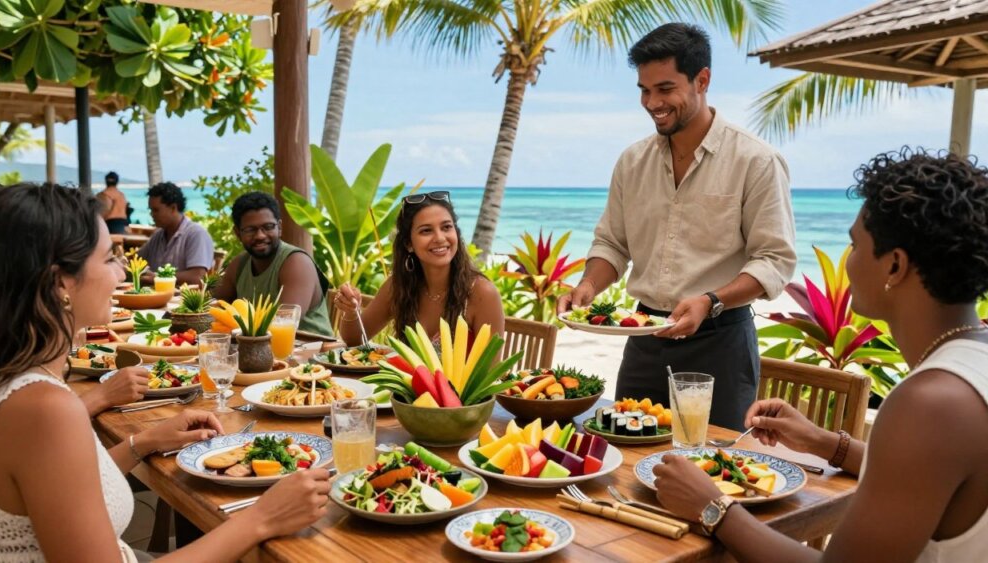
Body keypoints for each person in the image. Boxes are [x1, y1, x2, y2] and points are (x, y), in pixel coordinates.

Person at [0, 183, 331, 562]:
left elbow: (63, 486)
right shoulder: (45, 409)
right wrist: (262, 519)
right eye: (109, 259)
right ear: (61, 283)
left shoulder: (3, 376)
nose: (123, 272)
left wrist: (146, 441)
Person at [653, 149, 988, 562]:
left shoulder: (931, 403)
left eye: (853, 245)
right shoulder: (974, 362)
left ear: (895, 266)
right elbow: (929, 473)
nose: (847, 262)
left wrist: (714, 507)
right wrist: (823, 443)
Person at [557, 23, 796, 430]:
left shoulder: (755, 161)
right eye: (644, 90)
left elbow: (774, 260)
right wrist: (588, 285)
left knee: (712, 466)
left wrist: (711, 300)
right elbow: (613, 244)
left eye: (665, 89)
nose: (652, 102)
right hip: (644, 343)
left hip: (720, 343)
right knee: (624, 458)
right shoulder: (632, 162)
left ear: (702, 80)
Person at [333, 191, 504, 345]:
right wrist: (351, 311)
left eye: (446, 227)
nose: (439, 238)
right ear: (409, 244)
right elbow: (355, 339)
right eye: (426, 231)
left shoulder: (481, 293)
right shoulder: (399, 286)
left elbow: (489, 373)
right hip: (403, 381)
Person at [213, 191, 333, 336]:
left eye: (268, 227)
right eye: (251, 230)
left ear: (279, 227)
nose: (260, 235)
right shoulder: (240, 264)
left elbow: (283, 322)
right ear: (238, 233)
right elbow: (211, 305)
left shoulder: (296, 262)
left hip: (312, 353)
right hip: (257, 351)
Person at [137, 182, 214, 287]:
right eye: (150, 210)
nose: (151, 214)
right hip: (155, 299)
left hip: (181, 301)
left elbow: (197, 277)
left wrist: (158, 278)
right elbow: (136, 260)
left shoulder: (196, 234)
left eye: (156, 210)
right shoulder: (158, 235)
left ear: (173, 208)